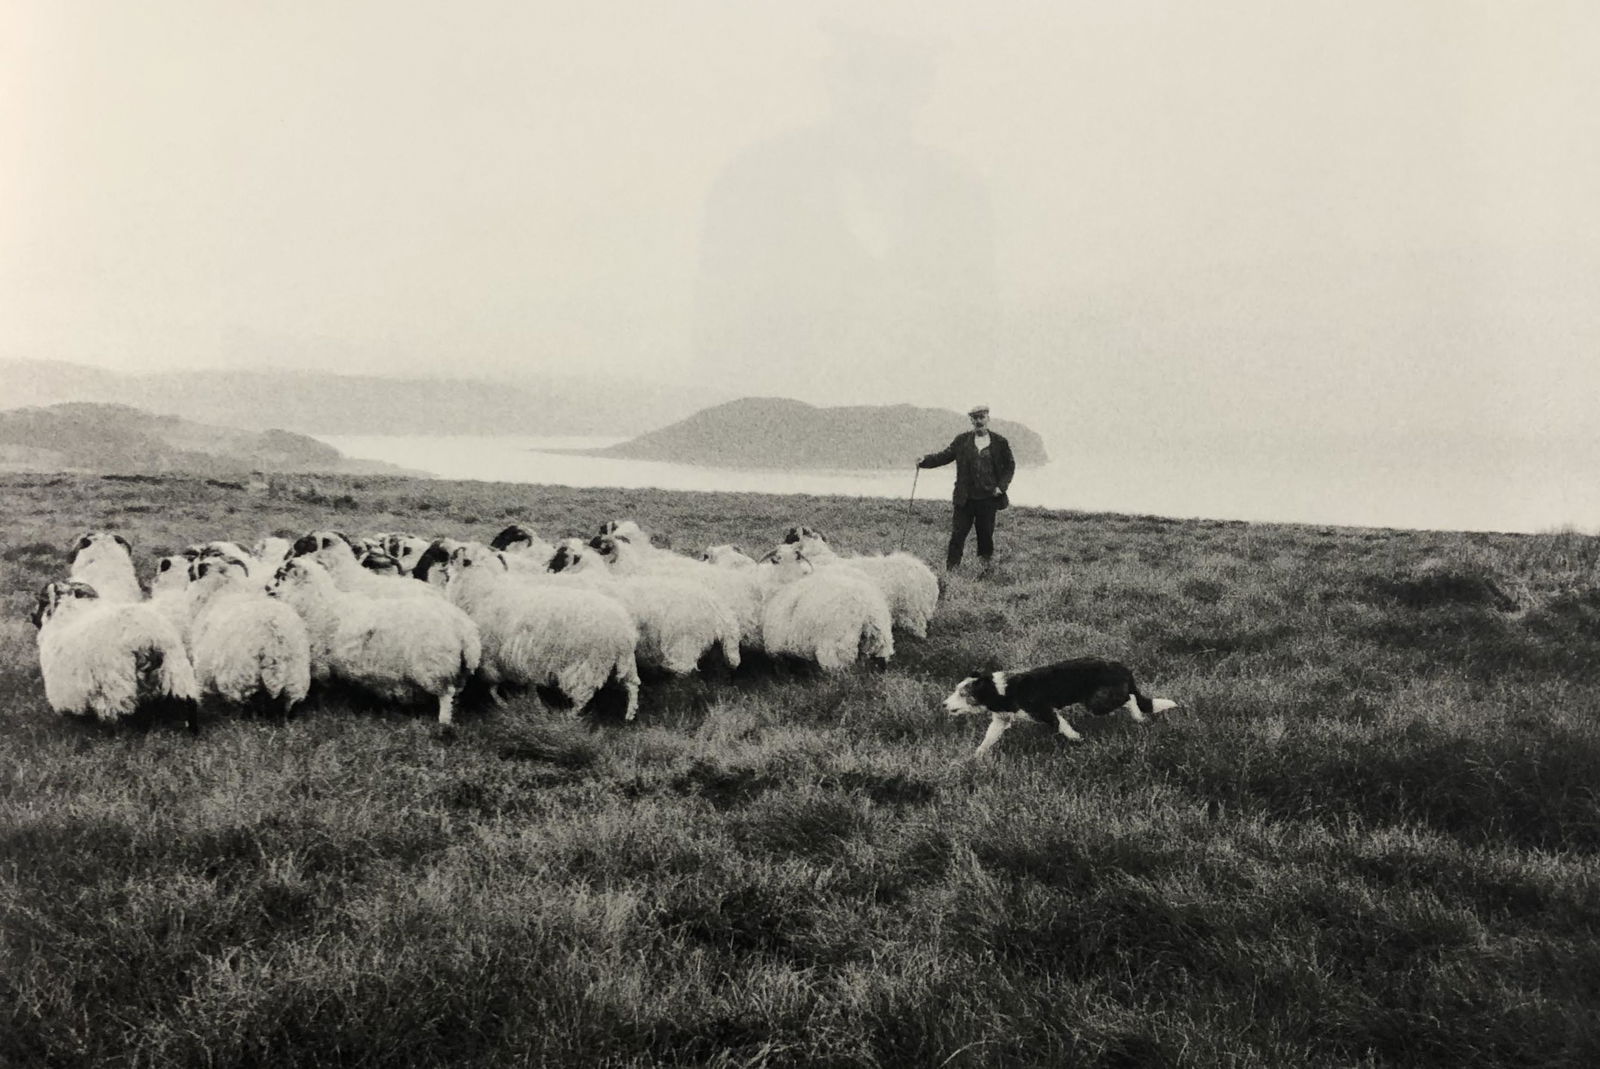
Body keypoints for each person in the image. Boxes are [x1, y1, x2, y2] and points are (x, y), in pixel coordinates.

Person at [917, 403, 1015, 574]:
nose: (978, 421)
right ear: (971, 420)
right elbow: (944, 456)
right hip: (965, 500)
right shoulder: (962, 441)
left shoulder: (1000, 442)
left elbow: (1010, 466)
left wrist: (1002, 486)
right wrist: (924, 461)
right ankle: (951, 572)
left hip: (988, 500)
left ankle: (985, 572)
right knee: (957, 536)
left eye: (981, 417)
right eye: (975, 418)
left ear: (988, 418)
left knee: (985, 538)